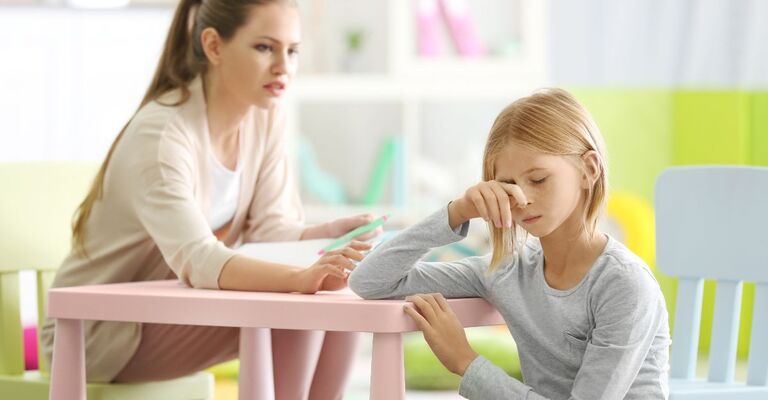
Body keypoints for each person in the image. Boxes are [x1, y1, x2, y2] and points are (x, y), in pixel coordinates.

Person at [41, 1, 378, 398]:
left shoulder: (264, 116)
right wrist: (299, 279)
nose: (283, 66)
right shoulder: (162, 136)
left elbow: (272, 231)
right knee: (298, 307)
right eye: (265, 48)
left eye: (293, 50)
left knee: (339, 303)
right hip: (100, 331)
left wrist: (326, 234)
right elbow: (199, 260)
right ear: (214, 46)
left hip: (168, 309)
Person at [349, 88, 670, 399]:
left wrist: (465, 362)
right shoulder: (506, 270)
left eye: (539, 179)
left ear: (589, 170)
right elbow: (370, 281)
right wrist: (457, 211)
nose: (523, 198)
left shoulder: (624, 284)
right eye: (507, 184)